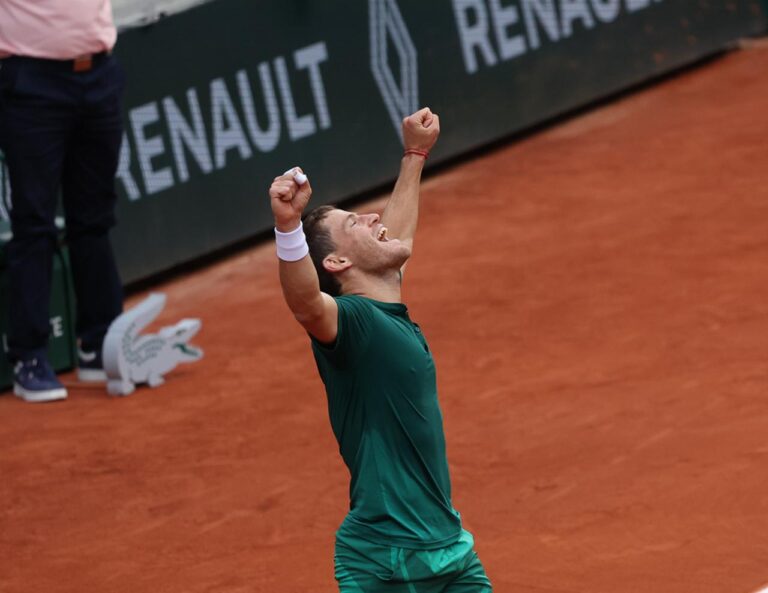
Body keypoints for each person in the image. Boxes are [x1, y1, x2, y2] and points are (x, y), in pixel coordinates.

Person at [269, 108, 493, 592]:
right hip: (387, 558)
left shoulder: (385, 308)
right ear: (337, 260)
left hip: (449, 546)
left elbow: (397, 237)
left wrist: (414, 155)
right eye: (356, 223)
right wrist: (288, 228)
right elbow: (307, 304)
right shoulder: (354, 323)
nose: (374, 218)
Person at [0, 0, 125, 402]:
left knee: (94, 216)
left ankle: (99, 343)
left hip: (99, 73)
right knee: (34, 221)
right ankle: (29, 357)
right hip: (30, 80)